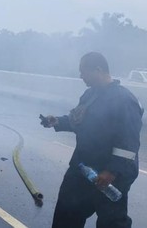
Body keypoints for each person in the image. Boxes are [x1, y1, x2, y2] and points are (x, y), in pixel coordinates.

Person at [41, 52, 143, 228]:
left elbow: (129, 144)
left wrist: (111, 171)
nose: (80, 76)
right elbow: (77, 119)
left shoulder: (124, 100)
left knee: (111, 222)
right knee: (66, 214)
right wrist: (57, 121)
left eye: (83, 71)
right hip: (83, 169)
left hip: (110, 175)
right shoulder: (89, 95)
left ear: (98, 69)